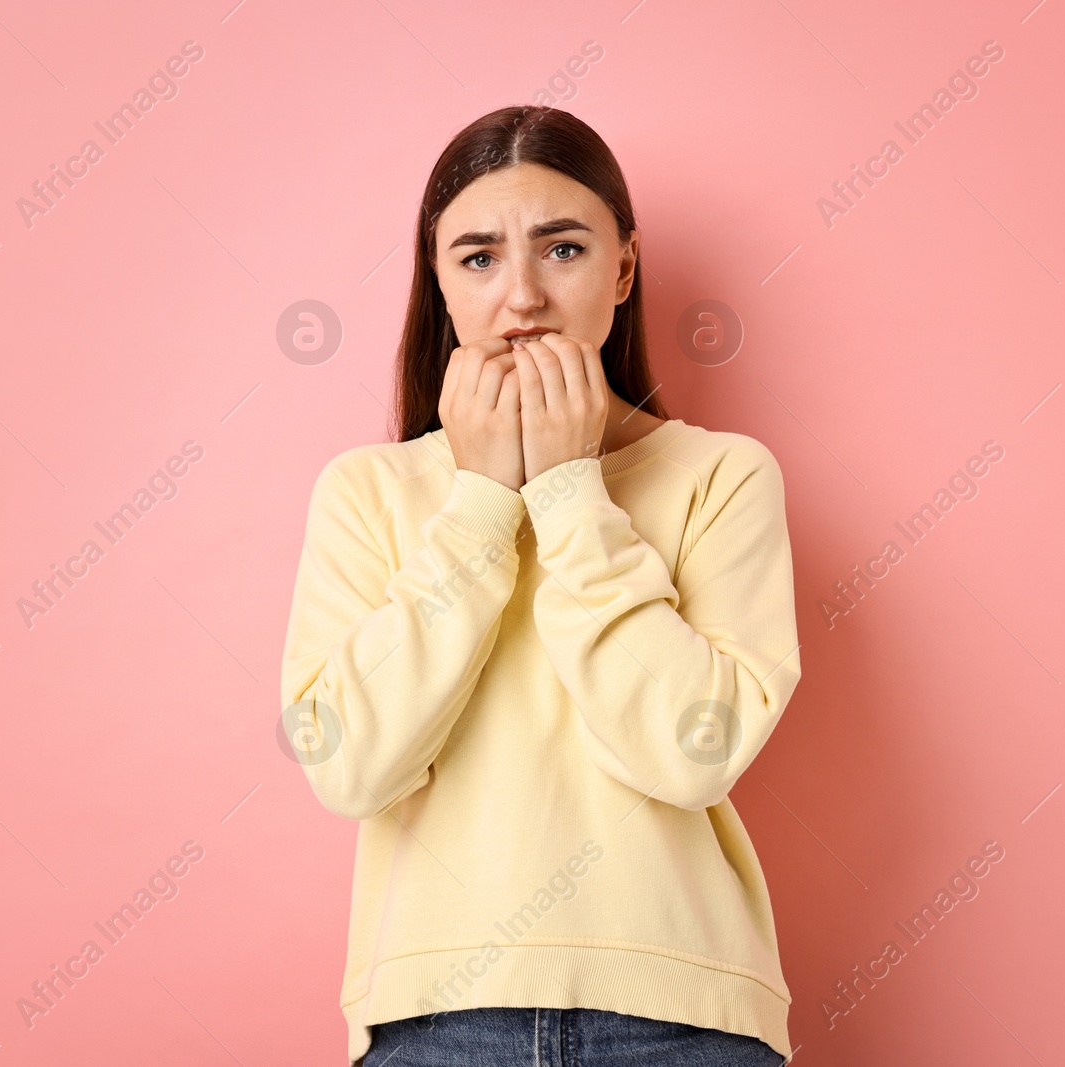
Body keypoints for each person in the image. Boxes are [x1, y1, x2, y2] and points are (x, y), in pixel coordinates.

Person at [280, 105, 801, 1066]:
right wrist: (480, 504)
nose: (521, 297)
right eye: (477, 258)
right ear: (439, 284)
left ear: (624, 269)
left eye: (561, 249)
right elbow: (349, 766)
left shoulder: (725, 476)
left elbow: (694, 753)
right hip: (435, 1016)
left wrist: (567, 493)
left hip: (688, 1019)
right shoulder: (369, 491)